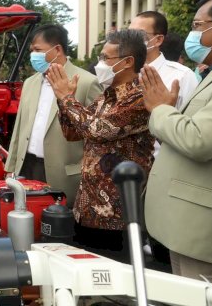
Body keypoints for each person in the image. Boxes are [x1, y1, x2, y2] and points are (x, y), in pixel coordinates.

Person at [141, 0, 212, 292]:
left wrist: (160, 109)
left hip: (209, 239)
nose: (192, 34)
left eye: (198, 25)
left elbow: (200, 139)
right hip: (190, 230)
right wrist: (168, 111)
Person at [45, 29, 154, 261]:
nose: (99, 63)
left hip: (118, 214)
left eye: (106, 58)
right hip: (87, 210)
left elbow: (98, 130)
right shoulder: (106, 95)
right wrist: (64, 101)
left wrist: (67, 99)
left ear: (127, 62)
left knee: (118, 285)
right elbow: (73, 133)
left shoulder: (141, 97)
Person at [5, 25, 102, 207]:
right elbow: (19, 128)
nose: (33, 55)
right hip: (27, 167)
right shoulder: (30, 83)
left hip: (65, 172)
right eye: (32, 50)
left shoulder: (86, 82)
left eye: (38, 50)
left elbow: (96, 133)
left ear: (57, 50)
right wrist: (11, 168)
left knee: (60, 226)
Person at [129, 11, 198, 111]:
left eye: (138, 34)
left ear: (158, 40)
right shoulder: (122, 72)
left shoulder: (182, 76)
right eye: (128, 34)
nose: (130, 40)